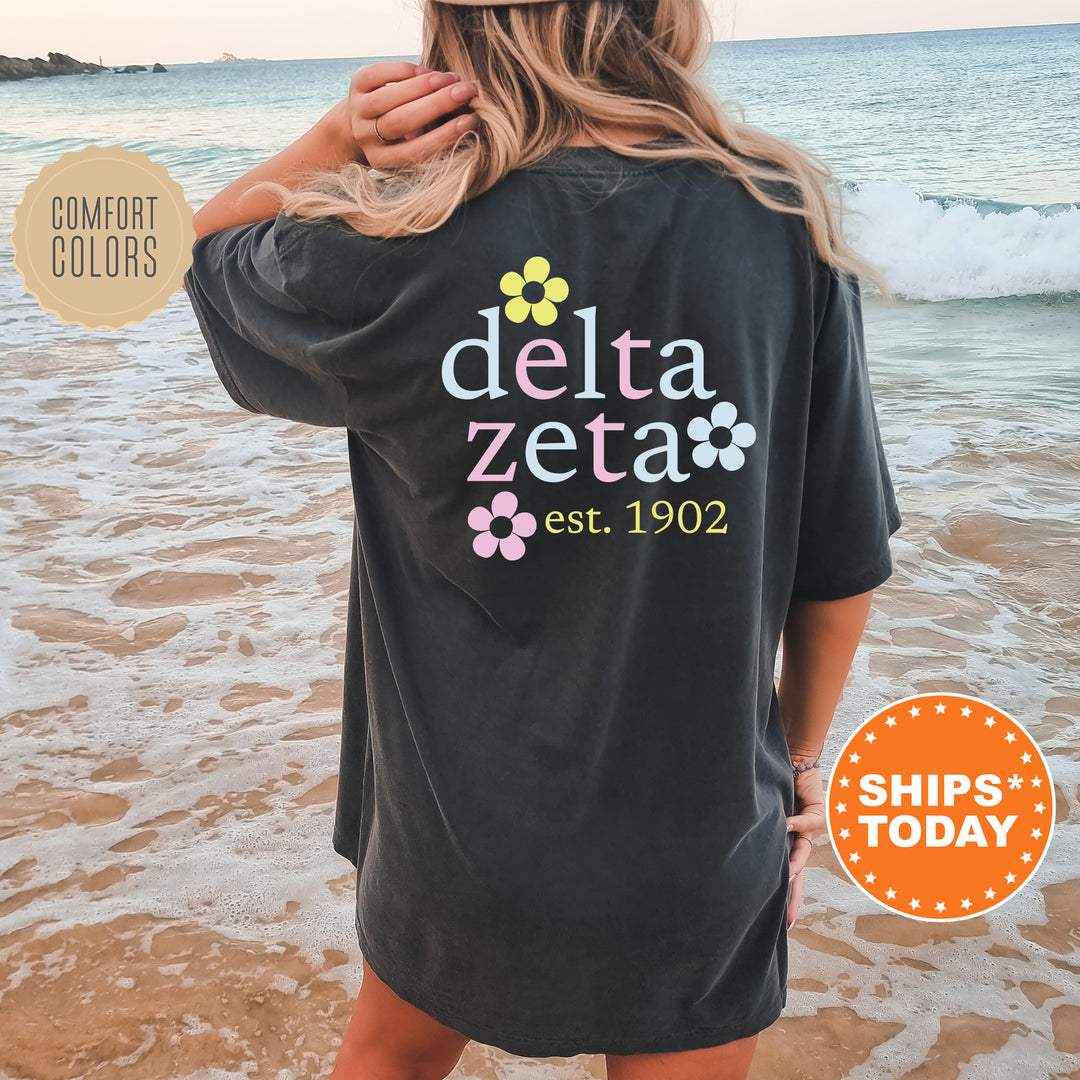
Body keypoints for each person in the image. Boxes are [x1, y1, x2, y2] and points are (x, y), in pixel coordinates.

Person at [182, 0, 903, 1077]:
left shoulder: (392, 238)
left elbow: (202, 253)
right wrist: (801, 764)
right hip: (697, 833)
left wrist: (339, 142)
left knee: (388, 1058)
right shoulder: (779, 219)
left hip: (455, 835)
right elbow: (841, 559)